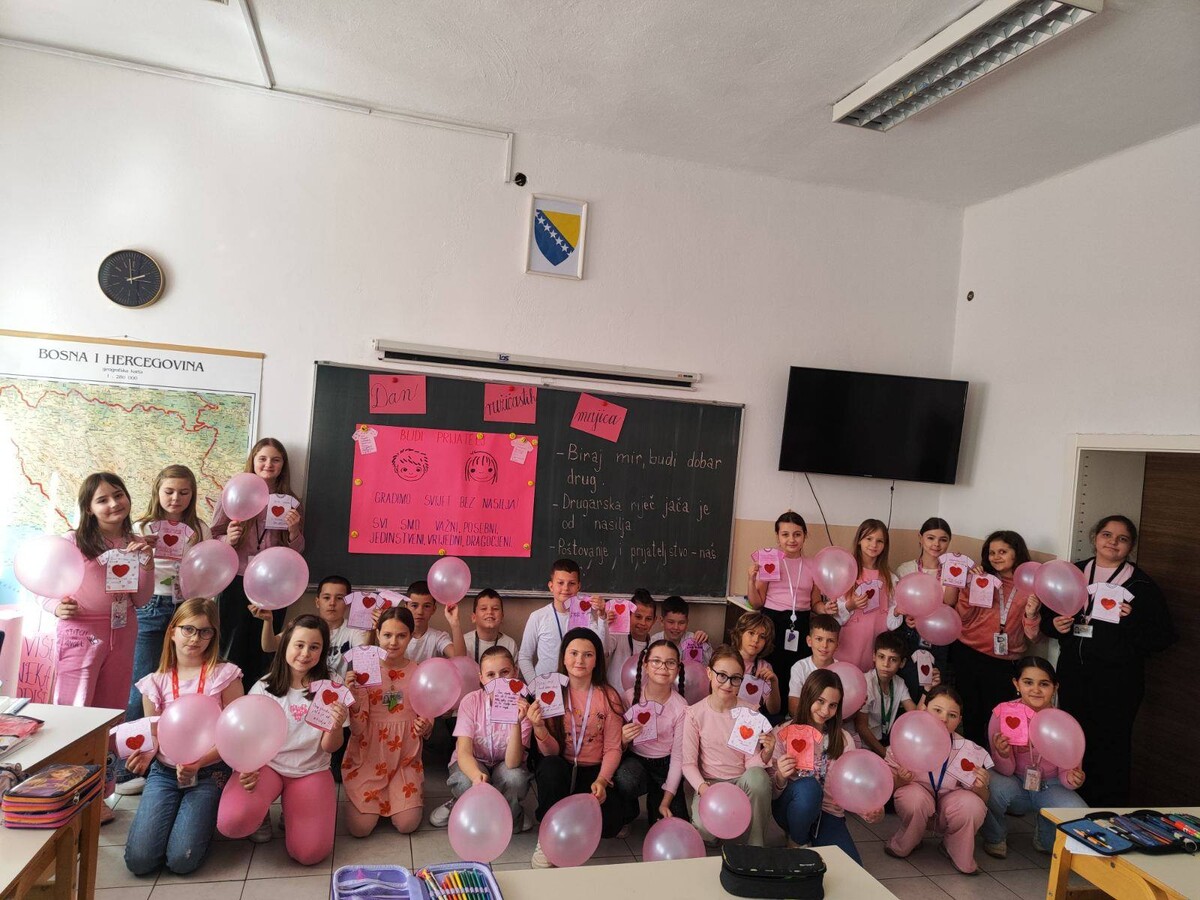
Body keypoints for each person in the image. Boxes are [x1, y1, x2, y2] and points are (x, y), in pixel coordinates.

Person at [1040, 515, 1174, 806]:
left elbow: (1161, 638)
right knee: (1074, 741)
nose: (1113, 542)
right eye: (1107, 535)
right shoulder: (1074, 572)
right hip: (1074, 674)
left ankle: (1107, 810)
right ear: (1095, 538)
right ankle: (1072, 805)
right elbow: (1047, 617)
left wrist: (1132, 619)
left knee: (1110, 746)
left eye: (1122, 539)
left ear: (1131, 546)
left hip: (1118, 682)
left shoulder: (1142, 585)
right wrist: (1054, 626)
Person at [124, 599, 243, 875]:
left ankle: (202, 820)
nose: (195, 638)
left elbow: (234, 735)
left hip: (210, 771)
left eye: (205, 631)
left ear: (213, 636)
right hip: (165, 773)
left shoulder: (224, 676)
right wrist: (145, 754)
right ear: (172, 632)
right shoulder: (155, 682)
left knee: (181, 860)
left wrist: (199, 763)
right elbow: (154, 733)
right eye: (188, 629)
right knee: (139, 861)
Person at [217, 615, 344, 864]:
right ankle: (261, 810)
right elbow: (247, 739)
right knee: (232, 821)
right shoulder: (263, 688)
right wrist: (245, 768)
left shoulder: (332, 686)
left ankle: (292, 808)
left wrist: (336, 725)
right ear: (286, 644)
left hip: (310, 770)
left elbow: (330, 747)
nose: (305, 654)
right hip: (268, 766)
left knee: (309, 853)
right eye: (299, 645)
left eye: (314, 647)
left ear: (323, 651)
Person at [121, 465, 212, 793]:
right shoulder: (140, 527)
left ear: (193, 494)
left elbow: (207, 570)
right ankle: (126, 769)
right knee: (141, 686)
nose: (176, 498)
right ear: (157, 491)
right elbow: (125, 572)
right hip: (149, 606)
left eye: (184, 492)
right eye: (169, 491)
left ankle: (175, 756)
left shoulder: (200, 529)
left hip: (186, 608)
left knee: (183, 687)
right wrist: (138, 552)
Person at [43, 473, 155, 709]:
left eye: (118, 495)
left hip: (124, 629)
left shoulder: (136, 543)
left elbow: (141, 600)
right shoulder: (72, 541)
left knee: (113, 706)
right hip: (81, 631)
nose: (114, 504)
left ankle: (109, 737)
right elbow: (43, 584)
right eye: (102, 500)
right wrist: (55, 607)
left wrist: (147, 564)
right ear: (89, 508)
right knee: (74, 705)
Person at [211, 438, 305, 691]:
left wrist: (294, 530)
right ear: (253, 460)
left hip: (274, 585)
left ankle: (259, 695)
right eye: (262, 458)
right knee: (231, 645)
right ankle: (229, 695)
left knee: (265, 648)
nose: (268, 464)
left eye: (276, 459)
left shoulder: (291, 502)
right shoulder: (234, 493)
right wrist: (227, 539)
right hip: (236, 580)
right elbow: (213, 536)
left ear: (283, 465)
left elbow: (296, 553)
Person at [528, 627, 626, 868]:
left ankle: (578, 828)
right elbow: (550, 753)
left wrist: (602, 780)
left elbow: (613, 747)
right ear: (563, 657)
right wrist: (539, 727)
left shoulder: (609, 696)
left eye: (588, 654)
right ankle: (547, 837)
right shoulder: (551, 692)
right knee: (550, 767)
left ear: (597, 660)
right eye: (573, 653)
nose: (579, 660)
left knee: (612, 824)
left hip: (593, 771)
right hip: (561, 766)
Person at [256, 574, 366, 781]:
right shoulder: (303, 627)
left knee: (333, 757)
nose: (332, 603)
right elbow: (269, 646)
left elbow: (364, 653)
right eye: (326, 597)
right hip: (304, 692)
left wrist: (371, 626)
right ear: (317, 601)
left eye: (339, 598)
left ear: (348, 603)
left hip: (336, 699)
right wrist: (268, 622)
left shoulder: (353, 631)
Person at [770, 668, 881, 864]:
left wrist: (868, 809)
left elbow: (850, 786)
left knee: (853, 867)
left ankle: (810, 837)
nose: (825, 711)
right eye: (820, 701)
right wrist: (780, 776)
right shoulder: (783, 733)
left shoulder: (844, 740)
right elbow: (770, 793)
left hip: (827, 814)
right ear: (808, 696)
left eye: (832, 705)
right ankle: (797, 841)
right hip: (791, 808)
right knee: (809, 787)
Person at [982, 657, 1086, 858]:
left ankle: (1044, 835)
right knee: (988, 784)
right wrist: (1002, 754)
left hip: (1050, 786)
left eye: (1044, 684)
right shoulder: (1002, 714)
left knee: (1079, 814)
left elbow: (1067, 772)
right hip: (1015, 782)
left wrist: (1073, 778)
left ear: (1055, 688)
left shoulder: (1064, 722)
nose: (1036, 690)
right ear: (1016, 684)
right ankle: (995, 836)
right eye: (1028, 682)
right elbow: (1005, 770)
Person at [342, 607, 433, 836]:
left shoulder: (420, 671)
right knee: (360, 829)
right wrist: (353, 694)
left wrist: (425, 724)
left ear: (410, 637)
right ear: (378, 634)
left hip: (404, 758)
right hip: (369, 756)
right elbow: (357, 728)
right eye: (387, 635)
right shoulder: (365, 670)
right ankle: (370, 798)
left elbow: (428, 711)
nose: (393, 642)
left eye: (401, 635)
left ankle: (399, 797)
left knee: (407, 824)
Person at [949, 530, 1043, 746]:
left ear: (1017, 553)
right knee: (970, 714)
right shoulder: (984, 580)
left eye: (1003, 552)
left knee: (998, 719)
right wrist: (969, 589)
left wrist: (1031, 615)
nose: (996, 557)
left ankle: (994, 762)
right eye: (992, 553)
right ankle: (971, 759)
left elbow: (1034, 637)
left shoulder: (1030, 587)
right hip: (968, 653)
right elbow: (962, 618)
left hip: (1004, 662)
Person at [884, 686, 990, 875]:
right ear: (924, 709)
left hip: (950, 807)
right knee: (913, 798)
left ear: (959, 720)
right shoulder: (905, 739)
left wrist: (980, 787)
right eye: (937, 710)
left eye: (952, 715)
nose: (943, 719)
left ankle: (955, 849)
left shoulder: (967, 750)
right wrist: (900, 780)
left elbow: (984, 798)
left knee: (973, 805)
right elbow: (887, 788)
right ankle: (907, 841)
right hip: (919, 802)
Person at [429, 645, 533, 830]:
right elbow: (463, 752)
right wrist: (476, 777)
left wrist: (516, 722)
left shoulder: (523, 707)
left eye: (505, 672)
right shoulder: (471, 702)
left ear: (515, 672)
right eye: (491, 675)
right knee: (465, 782)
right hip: (474, 760)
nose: (498, 680)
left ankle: (511, 810)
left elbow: (512, 763)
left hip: (504, 764)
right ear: (481, 678)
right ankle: (459, 802)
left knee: (515, 779)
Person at [680, 645, 774, 847]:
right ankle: (717, 830)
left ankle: (756, 843)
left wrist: (767, 753)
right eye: (722, 676)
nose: (728, 684)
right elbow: (688, 764)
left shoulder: (749, 713)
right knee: (706, 832)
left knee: (759, 777)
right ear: (709, 673)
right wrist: (704, 790)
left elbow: (751, 764)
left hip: (741, 781)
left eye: (735, 678)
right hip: (710, 784)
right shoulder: (695, 714)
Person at [746, 512, 825, 716]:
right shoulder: (771, 561)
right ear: (778, 536)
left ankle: (792, 719)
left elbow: (815, 602)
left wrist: (825, 609)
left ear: (805, 535)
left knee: (796, 672)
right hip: (772, 623)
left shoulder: (813, 565)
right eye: (785, 534)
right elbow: (756, 603)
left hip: (801, 624)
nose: (791, 539)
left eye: (797, 534)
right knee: (771, 670)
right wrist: (751, 580)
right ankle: (767, 716)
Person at [613, 639, 689, 829]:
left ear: (678, 669)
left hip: (666, 765)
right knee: (626, 779)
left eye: (670, 662)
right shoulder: (628, 697)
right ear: (645, 665)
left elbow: (678, 757)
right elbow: (613, 745)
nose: (663, 667)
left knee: (674, 828)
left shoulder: (681, 707)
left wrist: (666, 800)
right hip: (635, 760)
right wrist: (623, 739)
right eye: (656, 661)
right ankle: (629, 811)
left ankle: (657, 799)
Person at [893, 517, 956, 699]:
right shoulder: (906, 569)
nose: (936, 544)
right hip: (910, 634)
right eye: (930, 538)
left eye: (943, 539)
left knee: (934, 685)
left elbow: (950, 602)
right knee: (907, 681)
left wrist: (953, 572)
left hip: (939, 636)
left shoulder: (952, 571)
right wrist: (908, 617)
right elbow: (899, 604)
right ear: (920, 538)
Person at [518, 559, 605, 683]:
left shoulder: (586, 616)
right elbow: (524, 656)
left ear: (578, 586)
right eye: (560, 583)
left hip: (576, 686)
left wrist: (602, 617)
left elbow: (601, 648)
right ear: (551, 586)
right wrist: (535, 685)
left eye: (571, 583)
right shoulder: (538, 617)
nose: (566, 588)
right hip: (545, 686)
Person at [832, 519, 901, 672]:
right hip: (849, 641)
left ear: (885, 545)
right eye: (868, 538)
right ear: (859, 541)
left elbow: (892, 619)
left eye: (879, 541)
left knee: (869, 682)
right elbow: (835, 615)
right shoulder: (846, 573)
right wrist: (851, 605)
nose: (873, 544)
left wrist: (897, 612)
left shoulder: (890, 578)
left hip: (876, 642)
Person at [855, 631, 918, 756]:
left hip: (884, 744)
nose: (886, 664)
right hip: (862, 746)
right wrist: (885, 755)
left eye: (893, 659)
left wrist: (927, 690)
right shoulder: (865, 683)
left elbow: (915, 714)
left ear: (902, 663)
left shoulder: (899, 683)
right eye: (881, 657)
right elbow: (861, 727)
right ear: (874, 656)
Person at [787, 614, 840, 719]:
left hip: (831, 722)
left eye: (830, 641)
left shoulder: (841, 670)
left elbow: (845, 709)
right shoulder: (800, 667)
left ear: (837, 646)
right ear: (809, 641)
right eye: (819, 639)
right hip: (803, 721)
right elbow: (793, 708)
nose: (824, 645)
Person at [728, 611, 781, 716]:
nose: (756, 640)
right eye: (751, 633)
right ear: (740, 633)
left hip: (749, 720)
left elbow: (774, 710)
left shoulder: (764, 667)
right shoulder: (726, 659)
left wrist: (774, 683)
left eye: (762, 636)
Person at [605, 589, 656, 692]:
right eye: (638, 617)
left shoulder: (654, 646)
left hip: (640, 700)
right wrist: (604, 625)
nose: (643, 623)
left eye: (648, 619)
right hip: (614, 698)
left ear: (654, 620)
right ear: (628, 615)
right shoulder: (618, 636)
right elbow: (602, 650)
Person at [403, 580, 466, 661]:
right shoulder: (396, 635)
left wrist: (455, 623)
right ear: (406, 607)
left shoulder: (438, 637)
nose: (420, 612)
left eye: (426, 606)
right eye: (414, 606)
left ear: (434, 609)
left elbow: (460, 659)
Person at [650, 595, 711, 664]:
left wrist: (705, 642)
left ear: (687, 622)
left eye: (681, 623)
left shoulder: (695, 640)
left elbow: (711, 663)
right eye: (671, 622)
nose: (676, 627)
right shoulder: (654, 641)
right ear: (662, 621)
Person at [463, 588, 518, 661]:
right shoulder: (464, 642)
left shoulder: (510, 644)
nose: (489, 612)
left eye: (495, 609)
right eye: (483, 608)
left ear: (502, 617)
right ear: (474, 617)